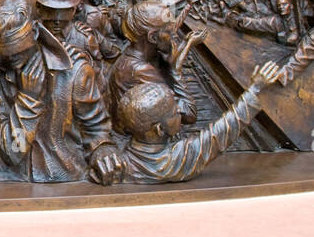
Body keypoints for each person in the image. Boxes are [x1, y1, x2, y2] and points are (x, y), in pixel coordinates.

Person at [0, 0, 123, 185]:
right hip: (15, 179)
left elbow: (97, 128)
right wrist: (28, 100)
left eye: (18, 51)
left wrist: (103, 150)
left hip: (64, 174)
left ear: (34, 32)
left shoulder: (75, 69)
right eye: (5, 54)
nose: (12, 61)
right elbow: (12, 152)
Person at [114, 62, 282, 184]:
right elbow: (222, 131)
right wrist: (255, 89)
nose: (180, 110)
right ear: (159, 129)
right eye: (173, 112)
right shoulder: (177, 159)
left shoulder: (120, 161)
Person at [107, 0, 202, 125]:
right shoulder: (140, 71)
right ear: (152, 37)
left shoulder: (134, 53)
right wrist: (176, 71)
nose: (175, 35)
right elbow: (189, 114)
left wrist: (183, 45)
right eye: (169, 32)